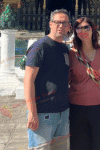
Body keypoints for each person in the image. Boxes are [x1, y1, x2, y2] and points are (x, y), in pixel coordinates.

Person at [24, 9, 71, 149]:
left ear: (69, 27)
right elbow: (28, 81)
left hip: (63, 112)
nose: (61, 26)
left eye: (64, 23)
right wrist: (32, 112)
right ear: (50, 24)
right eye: (57, 22)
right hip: (43, 113)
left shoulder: (65, 49)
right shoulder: (40, 47)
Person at [69, 17, 100, 150]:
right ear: (75, 32)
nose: (83, 31)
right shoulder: (71, 54)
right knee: (78, 146)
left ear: (92, 29)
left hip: (99, 108)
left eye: (86, 27)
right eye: (79, 28)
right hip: (76, 109)